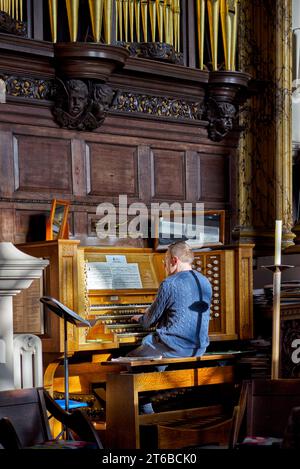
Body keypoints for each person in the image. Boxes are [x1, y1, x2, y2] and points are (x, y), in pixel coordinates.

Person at [127, 241, 212, 359]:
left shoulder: (169, 283)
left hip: (173, 348)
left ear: (174, 260)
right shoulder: (205, 281)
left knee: (128, 358)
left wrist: (141, 317)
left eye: (165, 261)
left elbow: (148, 322)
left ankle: (157, 375)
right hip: (199, 349)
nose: (164, 266)